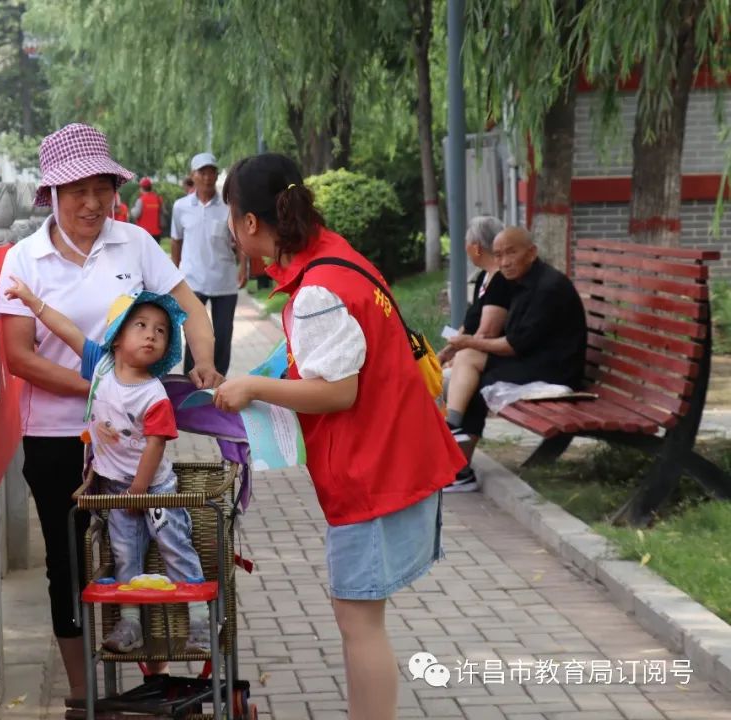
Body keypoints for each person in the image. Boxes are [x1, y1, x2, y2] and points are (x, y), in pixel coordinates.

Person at [212, 154, 465, 720]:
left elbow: (337, 392)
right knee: (359, 616)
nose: (230, 230)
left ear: (251, 224)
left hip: (374, 470)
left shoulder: (317, 291)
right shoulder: (333, 253)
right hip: (394, 456)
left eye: (231, 217)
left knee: (358, 622)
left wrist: (253, 386)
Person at [0, 123, 223, 700]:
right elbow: (17, 356)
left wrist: (206, 361)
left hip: (136, 442)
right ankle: (82, 695)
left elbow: (191, 307)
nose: (92, 202)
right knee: (68, 566)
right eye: (77, 191)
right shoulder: (25, 260)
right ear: (51, 195)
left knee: (147, 548)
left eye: (102, 187)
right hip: (58, 438)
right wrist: (98, 391)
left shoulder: (135, 242)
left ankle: (156, 679)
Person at [2, 280, 212, 653]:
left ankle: (198, 620)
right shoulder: (99, 367)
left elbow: (155, 445)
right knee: (124, 553)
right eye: (141, 326)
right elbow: (67, 331)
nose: (151, 335)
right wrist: (34, 302)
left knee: (174, 545)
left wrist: (139, 492)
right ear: (116, 338)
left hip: (154, 489)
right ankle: (130, 624)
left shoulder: (153, 394)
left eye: (161, 331)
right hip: (114, 487)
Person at [444, 226, 587, 464]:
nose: (504, 262)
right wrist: (463, 345)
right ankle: (454, 434)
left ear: (531, 252)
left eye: (511, 253)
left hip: (554, 371)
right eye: (498, 255)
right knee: (469, 359)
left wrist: (468, 341)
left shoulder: (547, 287)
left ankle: (456, 454)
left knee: (476, 374)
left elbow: (514, 345)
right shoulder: (520, 281)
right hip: (533, 360)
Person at [438, 215, 512, 492]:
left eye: (467, 243)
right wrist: (445, 352)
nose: (465, 248)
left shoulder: (501, 280)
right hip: (478, 356)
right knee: (450, 377)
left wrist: (458, 354)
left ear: (477, 247)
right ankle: (458, 468)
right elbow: (468, 326)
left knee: (454, 382)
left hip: (492, 357)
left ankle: (455, 457)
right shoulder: (484, 277)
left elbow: (486, 333)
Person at [170, 152, 247, 376]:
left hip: (224, 280)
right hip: (192, 281)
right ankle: (189, 380)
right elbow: (176, 241)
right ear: (192, 176)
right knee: (195, 335)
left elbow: (241, 240)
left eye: (211, 171)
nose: (207, 176)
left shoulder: (229, 206)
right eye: (202, 172)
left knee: (222, 335)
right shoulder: (181, 207)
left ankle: (218, 382)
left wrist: (243, 267)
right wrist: (174, 273)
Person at [130, 177, 165, 242]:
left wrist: (132, 210)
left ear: (142, 188)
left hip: (143, 233)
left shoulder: (141, 200)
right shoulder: (158, 199)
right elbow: (162, 212)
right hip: (156, 234)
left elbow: (136, 214)